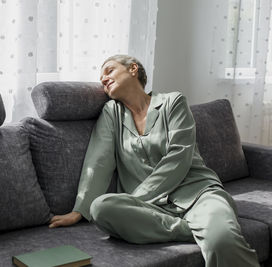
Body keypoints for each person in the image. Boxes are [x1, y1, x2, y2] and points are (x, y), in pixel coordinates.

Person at [48, 55, 260, 267]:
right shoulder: (111, 113)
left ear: (133, 69)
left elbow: (179, 155)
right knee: (101, 207)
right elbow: (98, 161)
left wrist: (138, 199)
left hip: (198, 194)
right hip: (151, 211)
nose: (103, 79)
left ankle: (210, 229)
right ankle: (198, 229)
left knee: (222, 242)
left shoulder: (173, 102)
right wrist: (79, 210)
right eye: (101, 77)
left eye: (109, 71)